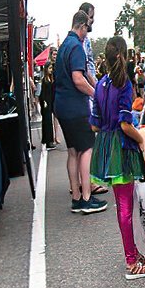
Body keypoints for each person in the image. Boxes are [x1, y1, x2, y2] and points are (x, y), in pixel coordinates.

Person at [90, 36, 145, 279]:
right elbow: (126, 124)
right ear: (125, 55)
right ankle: (131, 261)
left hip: (106, 146)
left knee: (124, 204)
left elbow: (95, 126)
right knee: (126, 207)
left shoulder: (101, 84)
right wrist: (141, 139)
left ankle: (134, 253)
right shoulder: (124, 84)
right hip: (122, 146)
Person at [54, 11, 108, 214]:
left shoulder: (63, 46)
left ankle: (76, 197)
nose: (87, 33)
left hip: (61, 105)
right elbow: (78, 78)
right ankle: (86, 197)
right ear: (83, 26)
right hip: (75, 106)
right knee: (86, 149)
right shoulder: (76, 46)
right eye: (88, 28)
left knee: (73, 151)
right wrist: (97, 95)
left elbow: (79, 75)